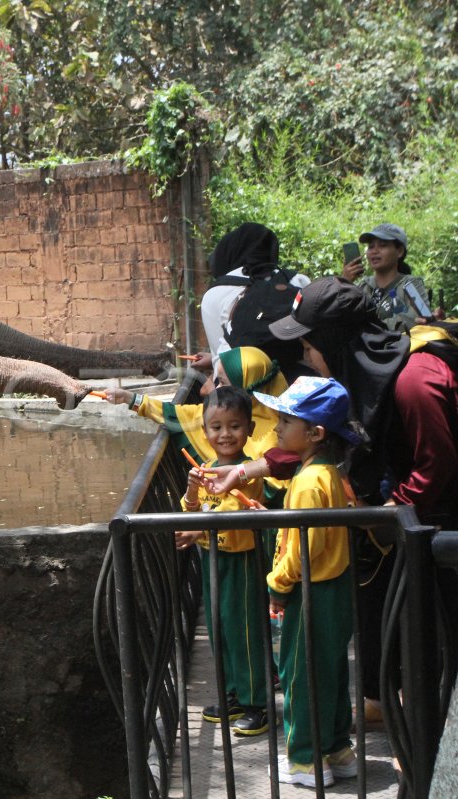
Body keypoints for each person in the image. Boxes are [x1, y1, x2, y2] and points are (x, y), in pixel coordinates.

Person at [210, 276, 458, 729]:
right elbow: (308, 443)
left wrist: (386, 514)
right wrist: (244, 471)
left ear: (334, 341)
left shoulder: (415, 382)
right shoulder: (358, 375)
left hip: (436, 522)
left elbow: (435, 466)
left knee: (432, 626)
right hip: (393, 520)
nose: (304, 357)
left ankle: (430, 735)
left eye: (308, 345)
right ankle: (383, 702)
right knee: (378, 607)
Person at [252, 376, 362, 787]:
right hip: (335, 590)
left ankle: (304, 762)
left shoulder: (307, 482)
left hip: (312, 592)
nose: (277, 427)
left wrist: (278, 584)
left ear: (315, 433)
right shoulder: (328, 474)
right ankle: (338, 750)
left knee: (301, 677)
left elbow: (303, 547)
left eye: (285, 421)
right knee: (329, 671)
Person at [177, 385, 269, 735]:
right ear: (205, 431)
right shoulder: (207, 468)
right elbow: (191, 511)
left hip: (241, 561)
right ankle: (232, 693)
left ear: (249, 429)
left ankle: (257, 703)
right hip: (212, 561)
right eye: (216, 427)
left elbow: (231, 515)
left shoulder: (248, 472)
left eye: (234, 425)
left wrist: (198, 533)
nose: (225, 434)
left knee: (243, 630)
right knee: (219, 630)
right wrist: (191, 488)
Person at [104, 346, 290, 468]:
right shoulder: (223, 414)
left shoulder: (275, 439)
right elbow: (180, 413)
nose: (213, 389)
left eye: (222, 382)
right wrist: (131, 399)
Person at [198, 223, 310, 375]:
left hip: (245, 388)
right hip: (301, 382)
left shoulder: (214, 294)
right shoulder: (298, 280)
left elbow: (221, 356)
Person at [341, 223, 433, 332]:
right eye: (371, 246)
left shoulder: (411, 284)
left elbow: (416, 319)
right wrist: (344, 283)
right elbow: (341, 320)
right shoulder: (363, 286)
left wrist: (367, 328)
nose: (374, 251)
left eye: (382, 245)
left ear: (399, 251)